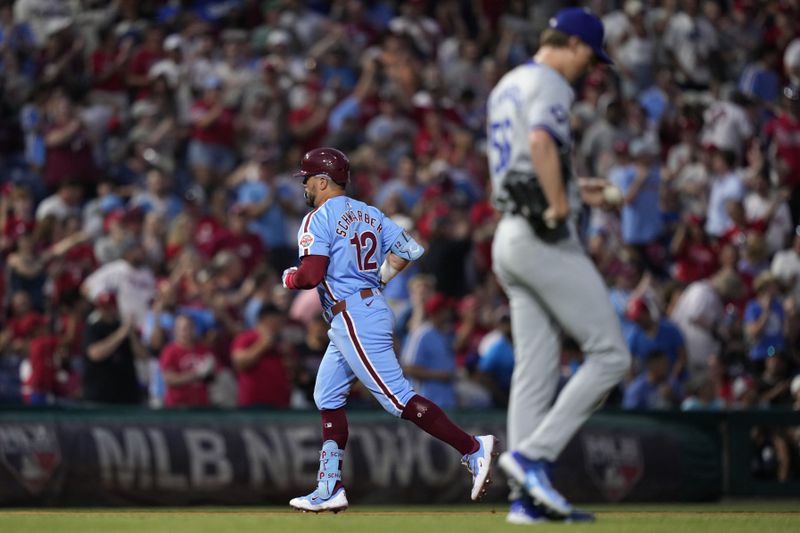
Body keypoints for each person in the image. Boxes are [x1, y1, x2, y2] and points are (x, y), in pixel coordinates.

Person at [281, 147, 497, 513]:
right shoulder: (369, 211)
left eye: (307, 179)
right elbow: (409, 250)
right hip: (361, 310)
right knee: (327, 395)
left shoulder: (317, 218)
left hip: (353, 315)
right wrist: (378, 280)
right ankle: (329, 487)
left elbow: (311, 275)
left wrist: (290, 277)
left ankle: (473, 448)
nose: (304, 185)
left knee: (398, 399)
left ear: (322, 180)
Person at [487, 8, 630, 524]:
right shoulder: (549, 81)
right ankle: (533, 457)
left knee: (536, 368)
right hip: (543, 237)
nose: (590, 68)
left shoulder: (506, 85)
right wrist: (563, 205)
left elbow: (518, 167)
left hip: (509, 234)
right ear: (570, 43)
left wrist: (575, 189)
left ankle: (525, 501)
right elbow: (542, 142)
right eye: (589, 56)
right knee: (611, 356)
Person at [231, 303, 291, 408]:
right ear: (265, 320)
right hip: (253, 404)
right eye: (276, 322)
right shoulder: (246, 338)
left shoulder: (282, 342)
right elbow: (240, 363)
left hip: (280, 404)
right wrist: (263, 345)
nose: (279, 326)